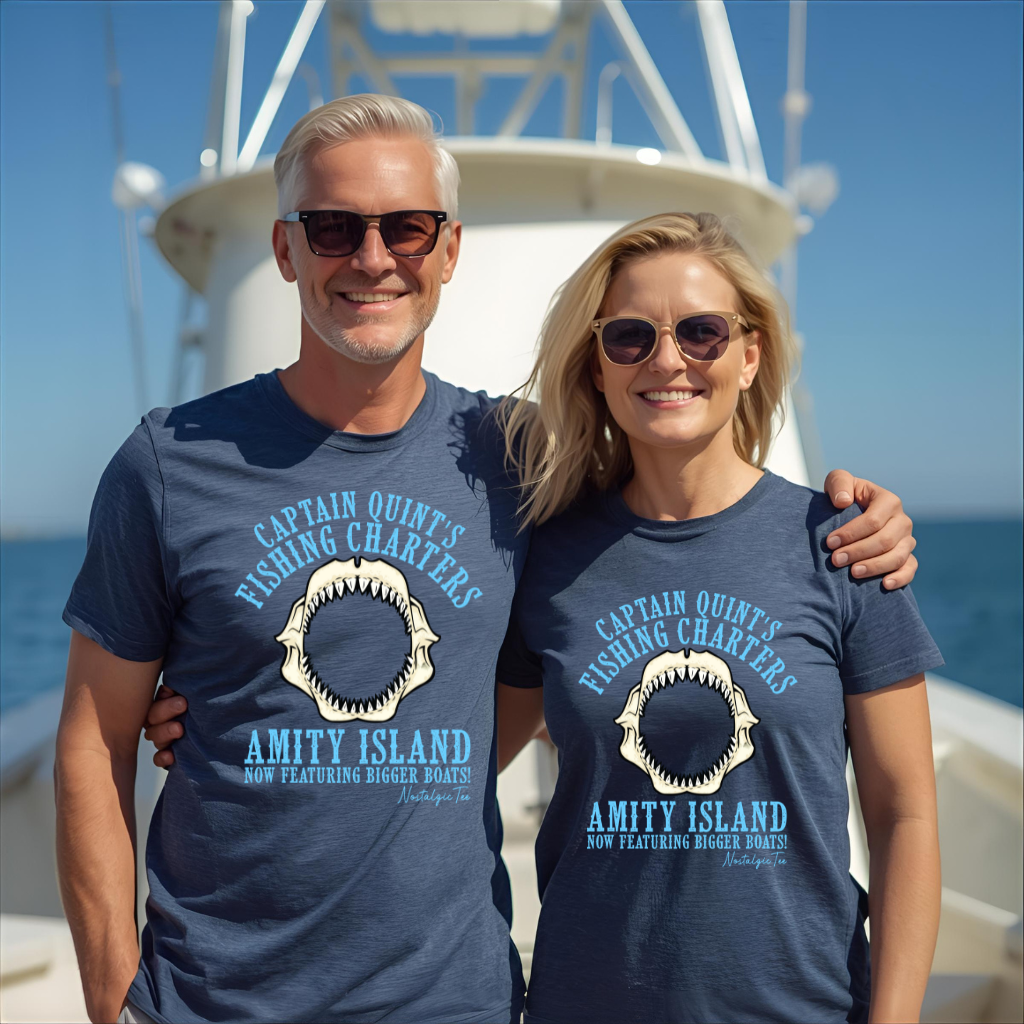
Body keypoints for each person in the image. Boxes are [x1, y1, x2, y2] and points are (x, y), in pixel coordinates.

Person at [56, 92, 918, 1024]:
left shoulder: (520, 460)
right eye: (335, 227)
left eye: (409, 228)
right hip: (213, 1004)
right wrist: (115, 1002)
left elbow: (676, 545)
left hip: (453, 1002)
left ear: (449, 250)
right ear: (285, 249)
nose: (374, 257)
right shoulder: (169, 463)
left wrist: (870, 520)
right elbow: (89, 742)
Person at [489, 212, 942, 1023]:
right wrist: (210, 711)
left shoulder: (845, 548)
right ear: (596, 366)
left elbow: (904, 814)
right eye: (629, 337)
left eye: (701, 332)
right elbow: (455, 753)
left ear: (749, 352)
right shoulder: (546, 561)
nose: (668, 360)